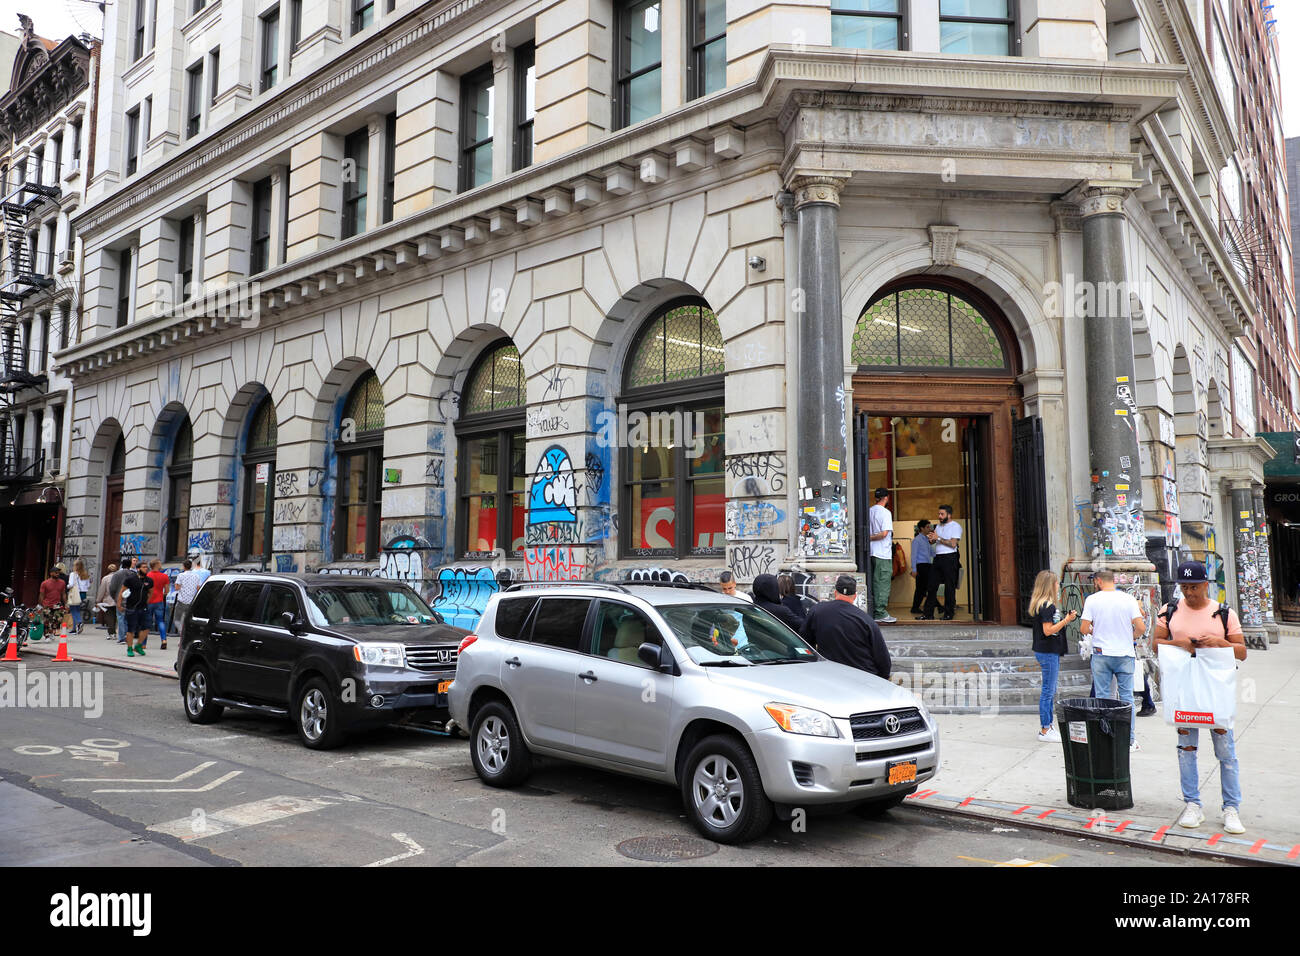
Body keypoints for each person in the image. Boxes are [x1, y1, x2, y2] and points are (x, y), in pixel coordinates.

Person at [1152, 560, 1247, 835]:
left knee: (1226, 751)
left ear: (1206, 584)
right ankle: (1192, 803)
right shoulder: (1168, 611)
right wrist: (1177, 644)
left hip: (1216, 691)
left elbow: (1241, 651)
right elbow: (1155, 644)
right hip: (1184, 690)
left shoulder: (1224, 613)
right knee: (1186, 749)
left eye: (1194, 587)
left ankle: (1231, 808)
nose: (1189, 593)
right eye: (1184, 587)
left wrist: (1220, 643)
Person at [1079, 568, 1146, 751]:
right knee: (1127, 698)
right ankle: (1129, 739)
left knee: (1102, 697)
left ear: (1099, 581)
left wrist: (1096, 630)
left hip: (1101, 653)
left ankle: (1103, 737)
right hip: (1124, 653)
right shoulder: (1128, 599)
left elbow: (1084, 628)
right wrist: (1129, 637)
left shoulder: (1092, 600)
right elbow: (1140, 627)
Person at [800, 575, 891, 678]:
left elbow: (804, 642)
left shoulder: (817, 611)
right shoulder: (866, 620)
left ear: (835, 593)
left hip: (830, 675)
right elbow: (882, 658)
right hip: (863, 677)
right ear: (855, 596)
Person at [1028, 570, 1077, 742]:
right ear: (1050, 585)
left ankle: (1048, 726)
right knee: (1048, 691)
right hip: (1048, 651)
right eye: (1056, 583)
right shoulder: (1047, 606)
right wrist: (1067, 620)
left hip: (1046, 651)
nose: (1058, 586)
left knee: (1050, 690)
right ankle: (1045, 728)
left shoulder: (1042, 604)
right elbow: (1048, 631)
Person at [921, 504, 962, 620]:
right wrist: (931, 539)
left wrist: (938, 538)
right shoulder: (938, 526)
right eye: (939, 514)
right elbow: (933, 542)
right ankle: (928, 614)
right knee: (931, 586)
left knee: (949, 586)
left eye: (942, 514)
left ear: (949, 515)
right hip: (938, 558)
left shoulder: (956, 526)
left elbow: (953, 544)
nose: (939, 516)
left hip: (950, 558)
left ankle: (949, 614)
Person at [867, 488, 896, 623]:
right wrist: (870, 538)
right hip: (882, 553)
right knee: (882, 583)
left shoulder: (869, 511)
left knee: (874, 582)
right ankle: (880, 613)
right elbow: (884, 533)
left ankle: (874, 610)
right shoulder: (885, 513)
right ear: (887, 498)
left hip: (872, 553)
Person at [119, 564, 154, 658]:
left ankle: (138, 645)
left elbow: (151, 592)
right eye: (143, 567)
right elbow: (122, 592)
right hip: (131, 607)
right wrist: (119, 604)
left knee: (146, 628)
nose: (146, 569)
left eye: (147, 567)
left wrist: (147, 601)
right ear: (138, 569)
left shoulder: (149, 580)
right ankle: (129, 648)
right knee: (131, 629)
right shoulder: (130, 579)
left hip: (144, 607)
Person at [109, 558, 138, 644]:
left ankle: (122, 637)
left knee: (121, 618)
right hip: (131, 599)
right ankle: (127, 635)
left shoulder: (117, 574)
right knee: (129, 618)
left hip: (120, 598)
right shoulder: (134, 574)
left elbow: (112, 588)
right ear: (130, 565)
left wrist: (115, 597)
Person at [172, 558, 201, 640]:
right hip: (191, 601)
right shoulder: (196, 576)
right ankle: (188, 635)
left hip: (181, 601)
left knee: (177, 620)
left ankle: (182, 634)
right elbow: (198, 588)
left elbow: (177, 587)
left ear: (184, 567)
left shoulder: (181, 575)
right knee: (188, 620)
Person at [910, 519, 933, 618]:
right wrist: (914, 569)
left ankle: (915, 607)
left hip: (927, 566)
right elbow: (913, 555)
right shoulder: (917, 540)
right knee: (922, 588)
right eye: (927, 527)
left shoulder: (926, 540)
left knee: (923, 588)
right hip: (921, 566)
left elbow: (932, 553)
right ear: (921, 528)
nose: (930, 529)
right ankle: (915, 607)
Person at [147, 559, 171, 651]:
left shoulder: (148, 575)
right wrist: (162, 594)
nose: (161, 565)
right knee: (160, 621)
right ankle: (164, 640)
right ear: (156, 565)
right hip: (159, 601)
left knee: (147, 622)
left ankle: (144, 643)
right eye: (160, 563)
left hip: (149, 601)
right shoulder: (164, 576)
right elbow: (167, 590)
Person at [38, 568, 68, 639]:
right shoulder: (45, 583)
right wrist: (40, 605)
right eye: (56, 573)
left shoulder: (62, 582)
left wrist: (66, 603)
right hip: (47, 604)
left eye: (58, 573)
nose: (57, 574)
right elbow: (41, 594)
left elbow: (63, 594)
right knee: (47, 621)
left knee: (58, 619)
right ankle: (47, 636)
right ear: (51, 573)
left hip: (57, 604)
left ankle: (52, 631)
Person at [67, 559, 91, 634]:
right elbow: (88, 586)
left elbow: (71, 584)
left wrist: (67, 586)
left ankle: (79, 623)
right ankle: (74, 628)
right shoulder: (85, 574)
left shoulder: (73, 574)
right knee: (77, 610)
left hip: (75, 593)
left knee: (73, 610)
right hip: (83, 594)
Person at [96, 563, 118, 634]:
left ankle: (111, 632)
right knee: (116, 616)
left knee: (109, 617)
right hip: (118, 599)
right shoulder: (119, 577)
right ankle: (115, 630)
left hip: (108, 600)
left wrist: (98, 600)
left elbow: (102, 590)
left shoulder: (105, 578)